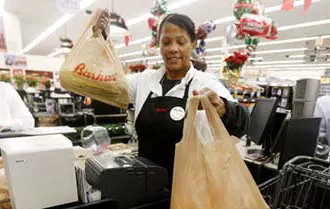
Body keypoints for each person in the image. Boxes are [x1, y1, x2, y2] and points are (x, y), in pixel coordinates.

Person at [94, 11, 248, 176]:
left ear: (194, 44)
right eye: (166, 42)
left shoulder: (204, 83)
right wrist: (100, 44)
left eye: (181, 42)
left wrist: (223, 108)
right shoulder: (144, 81)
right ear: (159, 45)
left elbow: (243, 121)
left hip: (190, 189)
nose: (173, 49)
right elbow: (106, 84)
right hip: (145, 186)